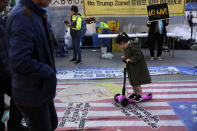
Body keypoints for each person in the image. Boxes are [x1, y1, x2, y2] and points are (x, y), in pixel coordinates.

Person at [6, 0, 58, 130]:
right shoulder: (22, 16)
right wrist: (49, 72)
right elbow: (20, 60)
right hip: (31, 92)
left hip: (41, 88)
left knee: (53, 123)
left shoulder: (35, 13)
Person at [0, 0, 28, 130]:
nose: (6, 4)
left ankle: (14, 125)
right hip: (4, 70)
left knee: (21, 94)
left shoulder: (2, 19)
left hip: (7, 70)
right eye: (5, 1)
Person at [115, 32, 151, 102]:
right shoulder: (127, 47)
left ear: (122, 43)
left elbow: (138, 55)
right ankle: (135, 93)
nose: (119, 47)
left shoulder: (132, 46)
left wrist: (131, 59)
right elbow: (129, 55)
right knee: (133, 82)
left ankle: (139, 95)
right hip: (132, 68)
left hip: (137, 68)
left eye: (119, 46)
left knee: (137, 82)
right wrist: (125, 58)